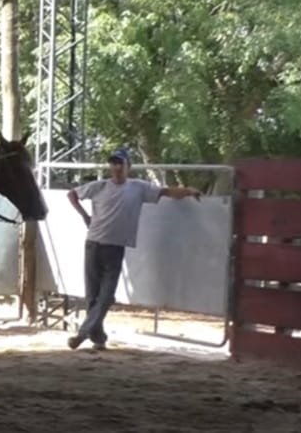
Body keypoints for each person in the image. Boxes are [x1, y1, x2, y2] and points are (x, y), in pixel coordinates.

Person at [65, 147, 201, 350]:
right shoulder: (99, 186)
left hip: (115, 246)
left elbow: (166, 192)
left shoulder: (138, 187)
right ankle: (98, 336)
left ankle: (84, 332)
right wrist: (84, 216)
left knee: (106, 293)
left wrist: (188, 191)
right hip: (94, 243)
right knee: (94, 294)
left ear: (129, 166)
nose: (117, 167)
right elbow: (72, 194)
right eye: (114, 163)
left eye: (121, 163)